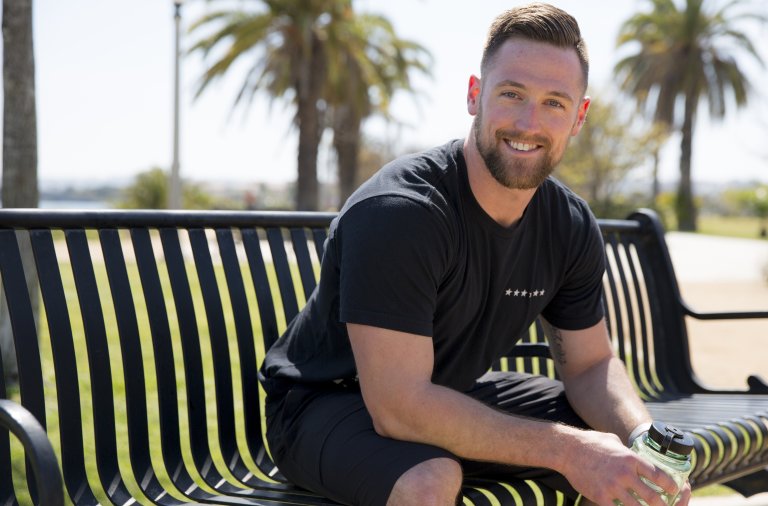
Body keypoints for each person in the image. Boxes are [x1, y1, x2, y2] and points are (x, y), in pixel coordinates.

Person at [259, 3, 691, 505]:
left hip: (445, 393)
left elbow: (591, 365)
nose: (529, 122)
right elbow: (397, 407)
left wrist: (643, 440)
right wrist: (570, 452)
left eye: (555, 102)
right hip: (326, 405)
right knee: (431, 481)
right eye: (512, 94)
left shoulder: (568, 224)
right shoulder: (403, 213)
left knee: (618, 455)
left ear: (579, 117)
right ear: (474, 95)